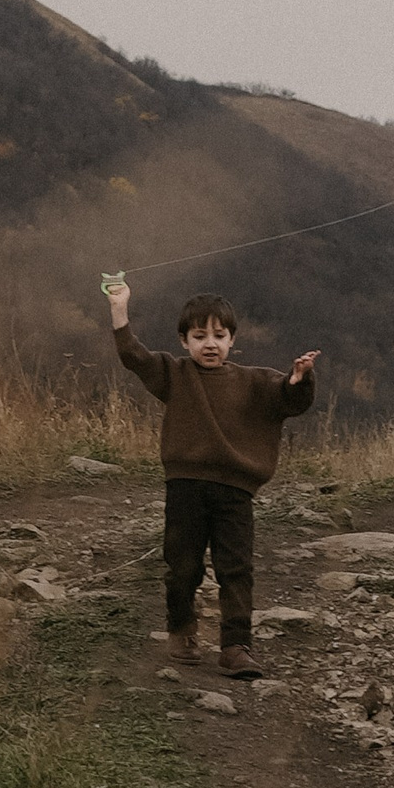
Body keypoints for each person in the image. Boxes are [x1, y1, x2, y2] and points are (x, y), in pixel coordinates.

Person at [101, 280, 318, 679]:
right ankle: (182, 632)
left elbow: (290, 401)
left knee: (236, 569)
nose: (210, 344)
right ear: (184, 341)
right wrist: (120, 308)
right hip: (184, 486)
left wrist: (299, 378)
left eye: (219, 335)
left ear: (233, 339)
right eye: (200, 336)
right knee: (182, 566)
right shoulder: (174, 374)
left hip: (236, 493)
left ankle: (236, 647)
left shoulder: (255, 380)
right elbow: (134, 356)